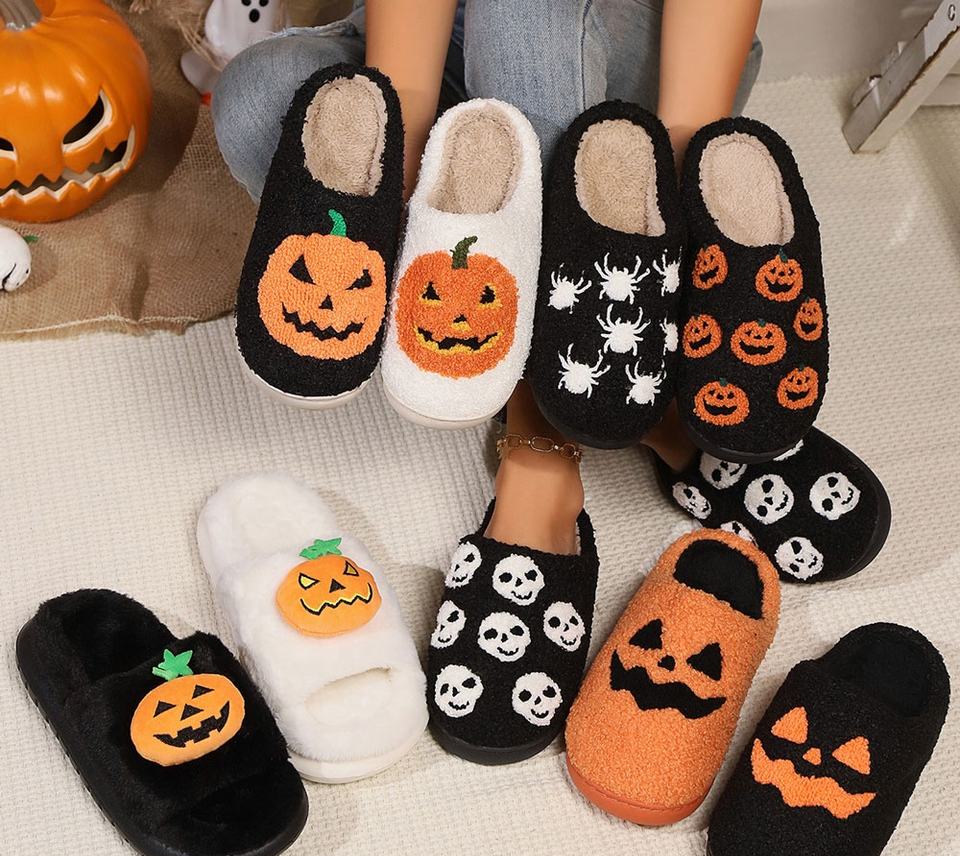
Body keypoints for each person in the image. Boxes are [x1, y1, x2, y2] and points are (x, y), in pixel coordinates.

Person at [213, 0, 764, 555]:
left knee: (520, 13)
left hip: (628, 57)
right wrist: (399, 177)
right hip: (450, 33)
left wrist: (676, 198)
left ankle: (541, 441)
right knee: (257, 101)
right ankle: (561, 353)